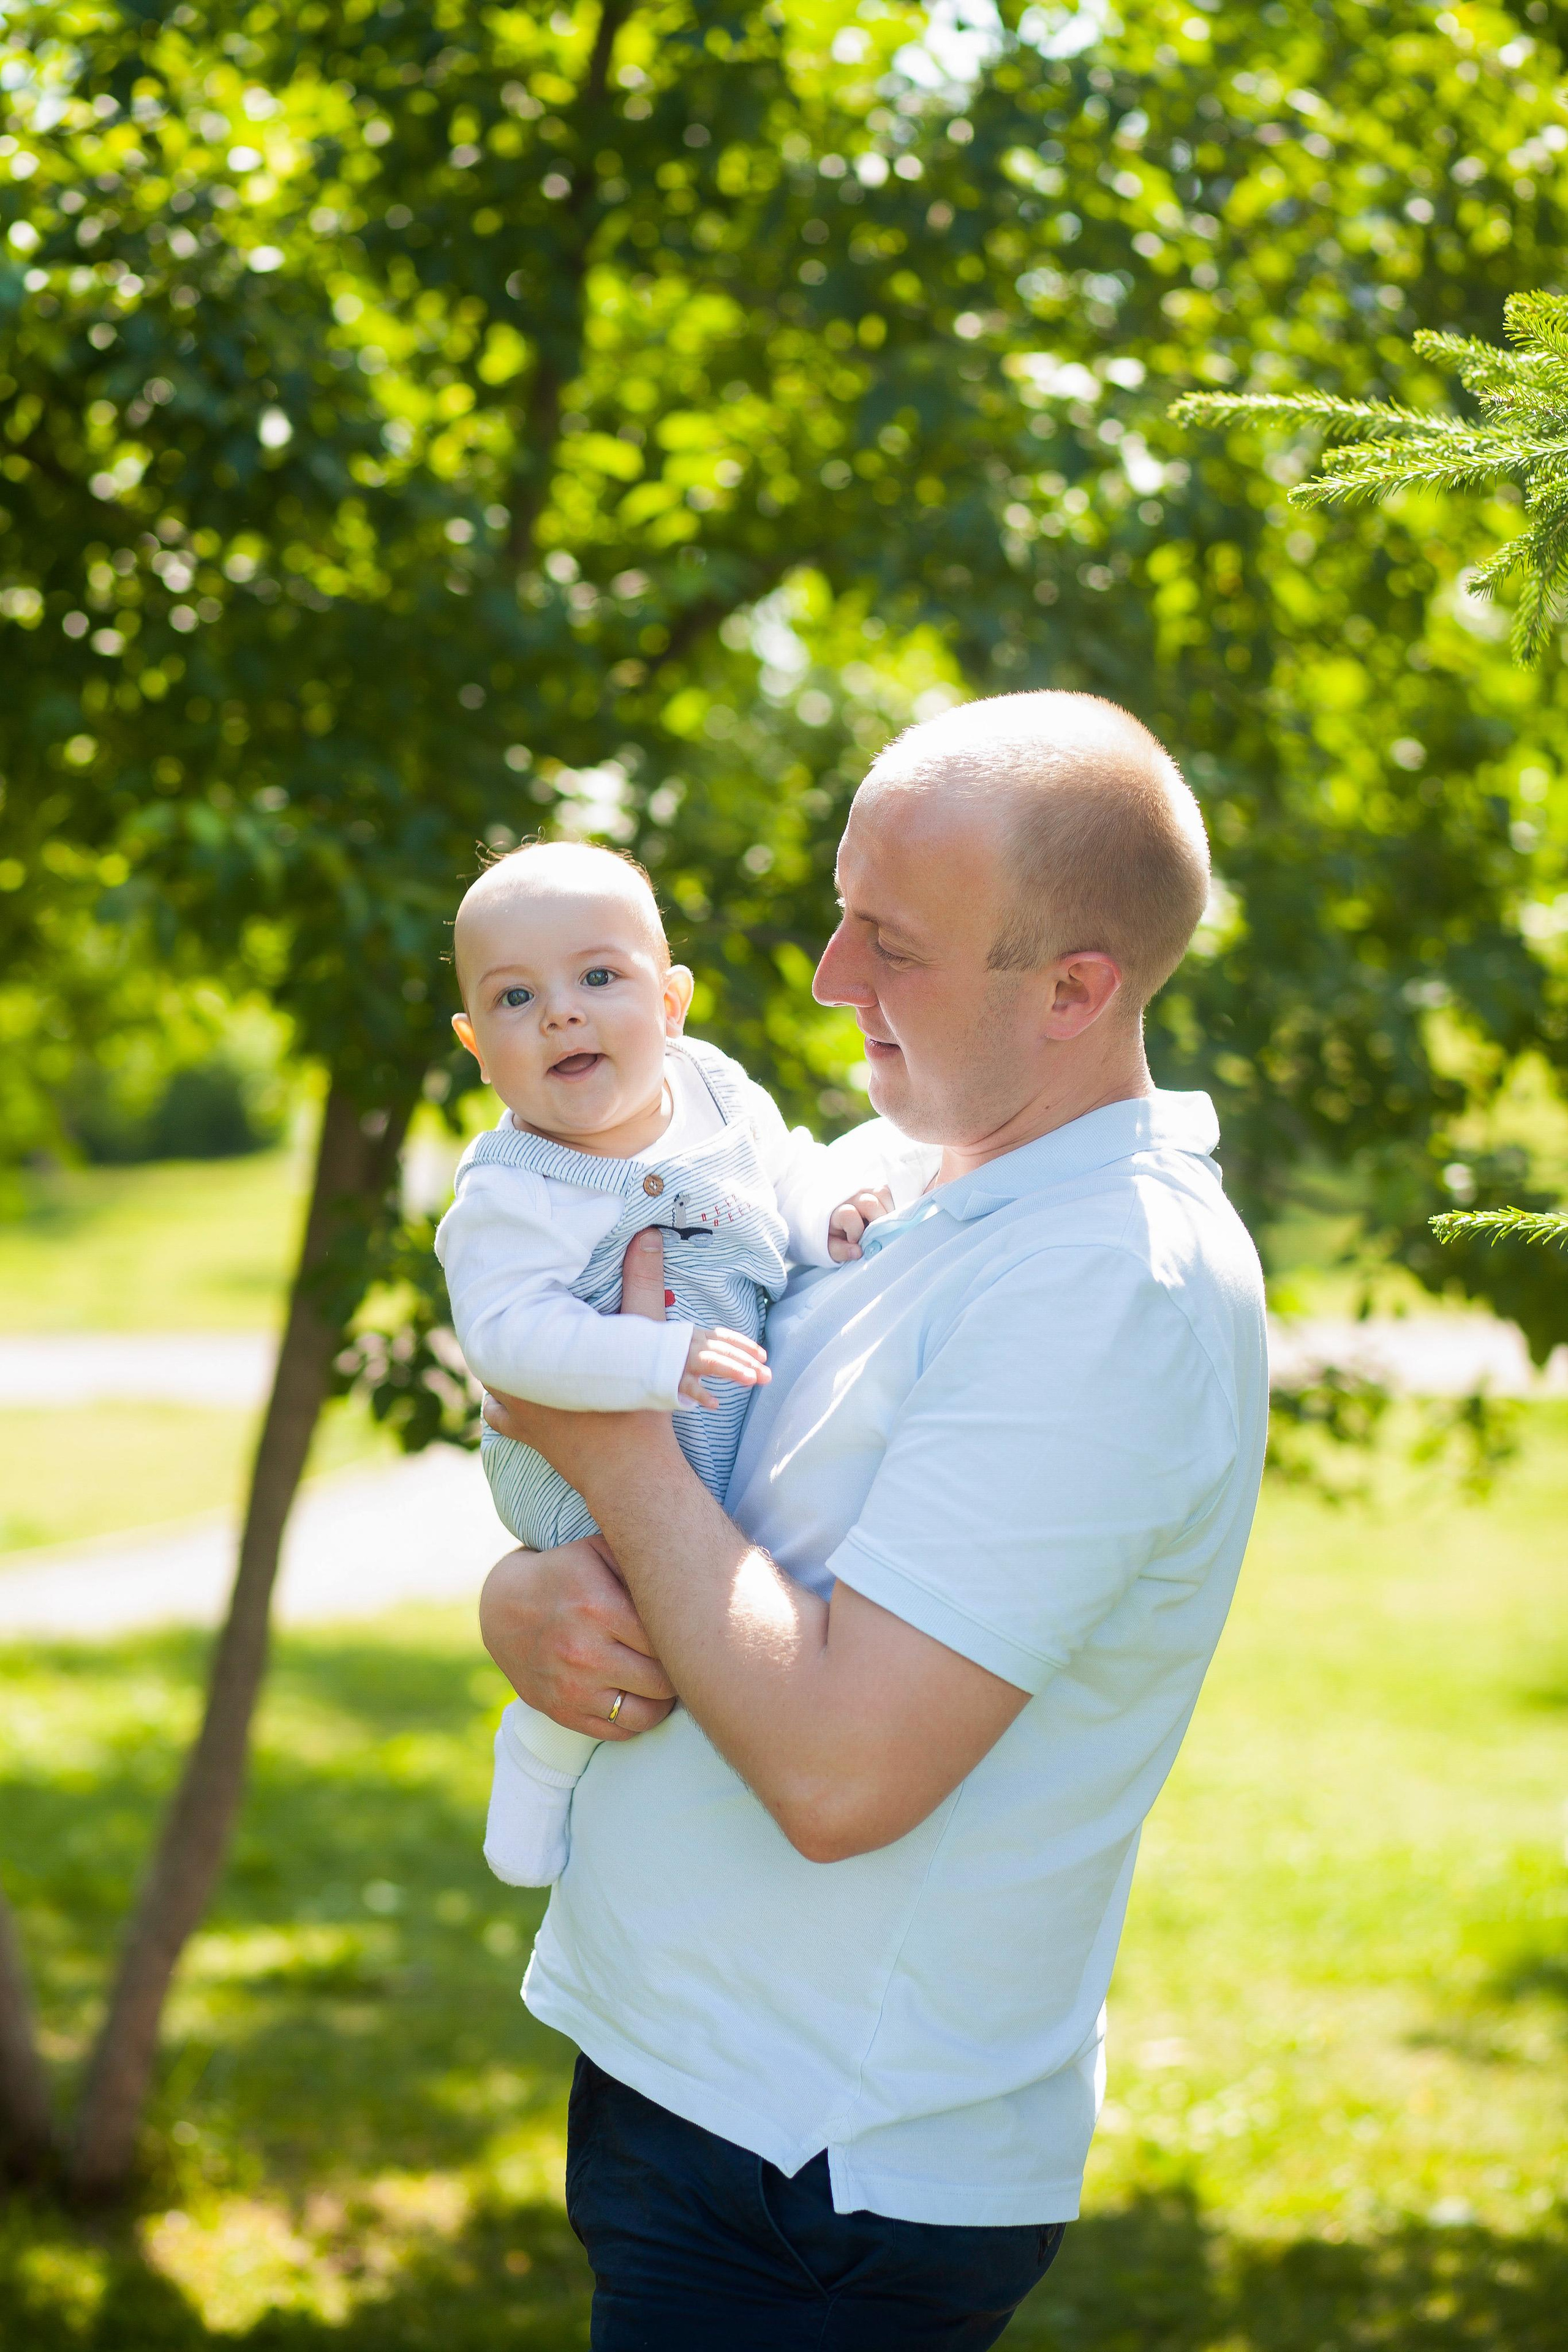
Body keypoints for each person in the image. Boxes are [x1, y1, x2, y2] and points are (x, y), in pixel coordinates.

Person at [479, 691, 1270, 2349]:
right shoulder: (891, 1173)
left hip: (824, 2179)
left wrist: (607, 1448)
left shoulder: (1111, 1285)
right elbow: (717, 1512)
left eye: (892, 945)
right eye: (844, 913)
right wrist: (525, 1598)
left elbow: (846, 1774)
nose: (833, 979)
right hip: (685, 2089)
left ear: (1075, 989)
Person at [438, 841, 929, 1885]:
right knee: (621, 1604)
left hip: (708, 1426)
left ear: (671, 1004)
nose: (561, 1013)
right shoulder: (511, 1192)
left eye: (598, 978)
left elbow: (780, 1167)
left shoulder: (712, 1090)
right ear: (479, 1047)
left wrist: (824, 1213)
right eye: (516, 998)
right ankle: (540, 1752)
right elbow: (506, 1341)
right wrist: (648, 1358)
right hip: (573, 1457)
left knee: (692, 1590)